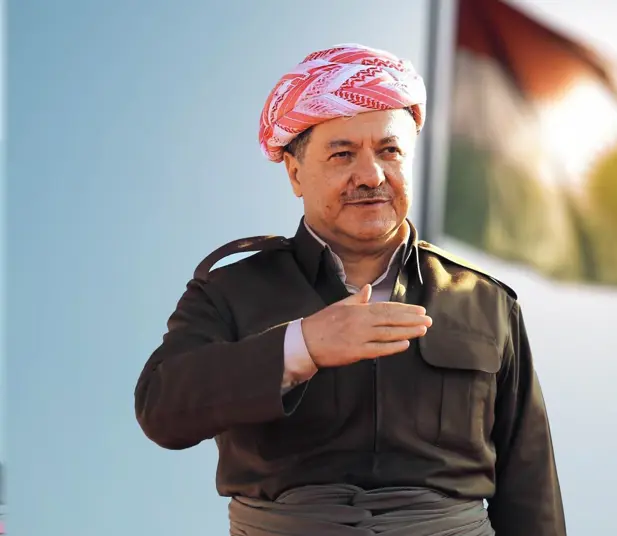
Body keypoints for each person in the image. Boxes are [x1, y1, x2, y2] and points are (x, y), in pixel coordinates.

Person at [135, 43, 566, 536]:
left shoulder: (485, 301)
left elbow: (529, 486)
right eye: (343, 154)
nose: (371, 176)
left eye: (389, 151)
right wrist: (301, 346)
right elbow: (161, 409)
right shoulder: (230, 289)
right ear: (295, 172)